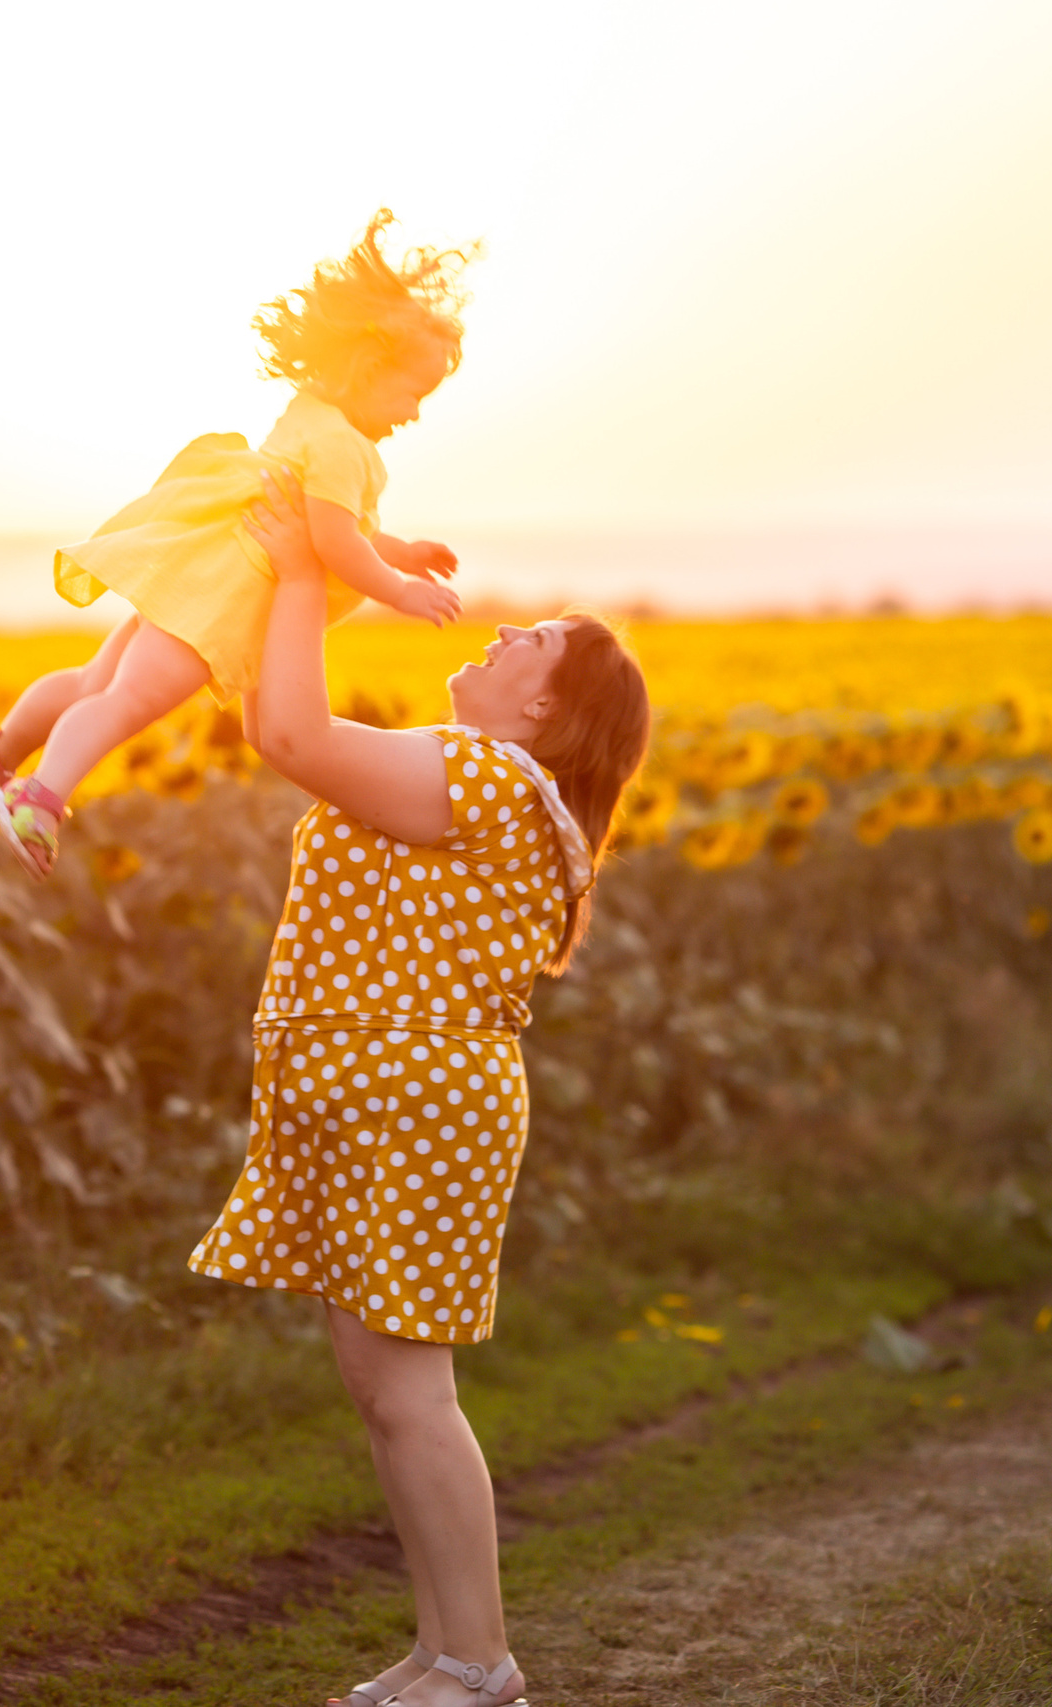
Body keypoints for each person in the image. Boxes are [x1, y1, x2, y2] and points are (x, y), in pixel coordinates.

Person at [189, 472, 651, 1706]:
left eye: (530, 642)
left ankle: (481, 1658)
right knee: (381, 1388)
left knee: (407, 1390)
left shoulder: (490, 780)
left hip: (415, 1102)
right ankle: (441, 1648)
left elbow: (288, 736)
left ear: (543, 704)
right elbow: (285, 707)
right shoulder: (484, 782)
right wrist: (320, 569)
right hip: (382, 1095)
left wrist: (302, 572)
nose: (502, 635)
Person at [0, 212, 471, 879]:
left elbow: (326, 521)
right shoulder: (346, 447)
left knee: (94, 682)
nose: (415, 411)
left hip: (198, 576)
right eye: (413, 392)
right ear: (369, 368)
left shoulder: (310, 413)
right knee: (125, 702)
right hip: (223, 604)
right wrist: (400, 589)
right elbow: (336, 542)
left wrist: (400, 550)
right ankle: (39, 797)